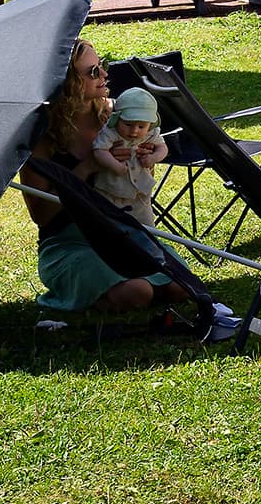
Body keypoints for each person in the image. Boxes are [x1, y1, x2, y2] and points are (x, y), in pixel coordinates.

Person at [22, 40, 187, 315]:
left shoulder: (117, 116)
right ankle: (89, 292)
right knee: (139, 293)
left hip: (124, 232)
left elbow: (136, 185)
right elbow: (43, 215)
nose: (104, 75)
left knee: (182, 287)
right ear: (68, 82)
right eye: (93, 72)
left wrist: (143, 157)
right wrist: (86, 168)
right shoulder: (43, 136)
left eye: (102, 66)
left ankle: (121, 283)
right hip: (70, 241)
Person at [89, 86, 169, 225]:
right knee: (109, 226)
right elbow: (99, 150)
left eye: (141, 126)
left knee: (147, 227)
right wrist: (115, 166)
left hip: (140, 196)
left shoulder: (151, 133)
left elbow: (163, 148)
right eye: (128, 124)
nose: (134, 131)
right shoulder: (110, 132)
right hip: (110, 192)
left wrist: (153, 158)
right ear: (117, 118)